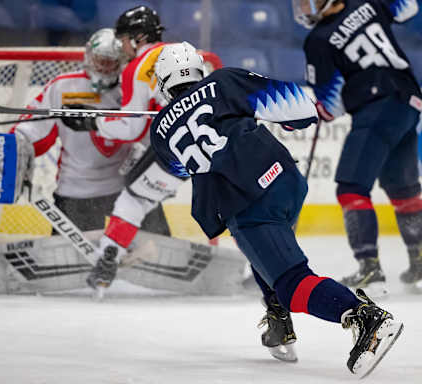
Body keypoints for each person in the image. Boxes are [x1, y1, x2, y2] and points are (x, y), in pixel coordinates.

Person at [149, 41, 403, 377]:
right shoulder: (223, 82)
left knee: (292, 283)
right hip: (284, 179)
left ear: (164, 84)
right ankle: (278, 319)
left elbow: (181, 168)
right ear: (199, 69)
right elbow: (298, 107)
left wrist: (174, 125)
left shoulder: (159, 132)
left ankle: (365, 317)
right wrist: (291, 122)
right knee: (266, 254)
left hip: (246, 201)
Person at [293, 0, 422, 295]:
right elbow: (409, 7)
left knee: (351, 187)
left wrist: (311, 113)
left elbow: (330, 105)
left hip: (376, 107)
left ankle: (370, 269)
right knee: (403, 190)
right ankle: (420, 260)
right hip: (409, 102)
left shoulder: (319, 38)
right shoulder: (366, 3)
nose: (301, 8)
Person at [66, 6, 184, 294]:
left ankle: (108, 258)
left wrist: (94, 122)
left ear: (138, 37)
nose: (122, 48)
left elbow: (132, 128)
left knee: (134, 199)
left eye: (123, 41)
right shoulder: (184, 51)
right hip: (213, 142)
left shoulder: (137, 68)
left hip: (175, 149)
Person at [11, 28, 170, 235]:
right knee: (68, 262)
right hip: (76, 191)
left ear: (121, 61)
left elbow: (152, 132)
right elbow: (34, 129)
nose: (104, 67)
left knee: (157, 251)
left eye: (111, 61)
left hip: (127, 189)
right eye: (100, 60)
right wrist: (18, 140)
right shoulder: (64, 87)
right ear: (89, 56)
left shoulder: (134, 86)